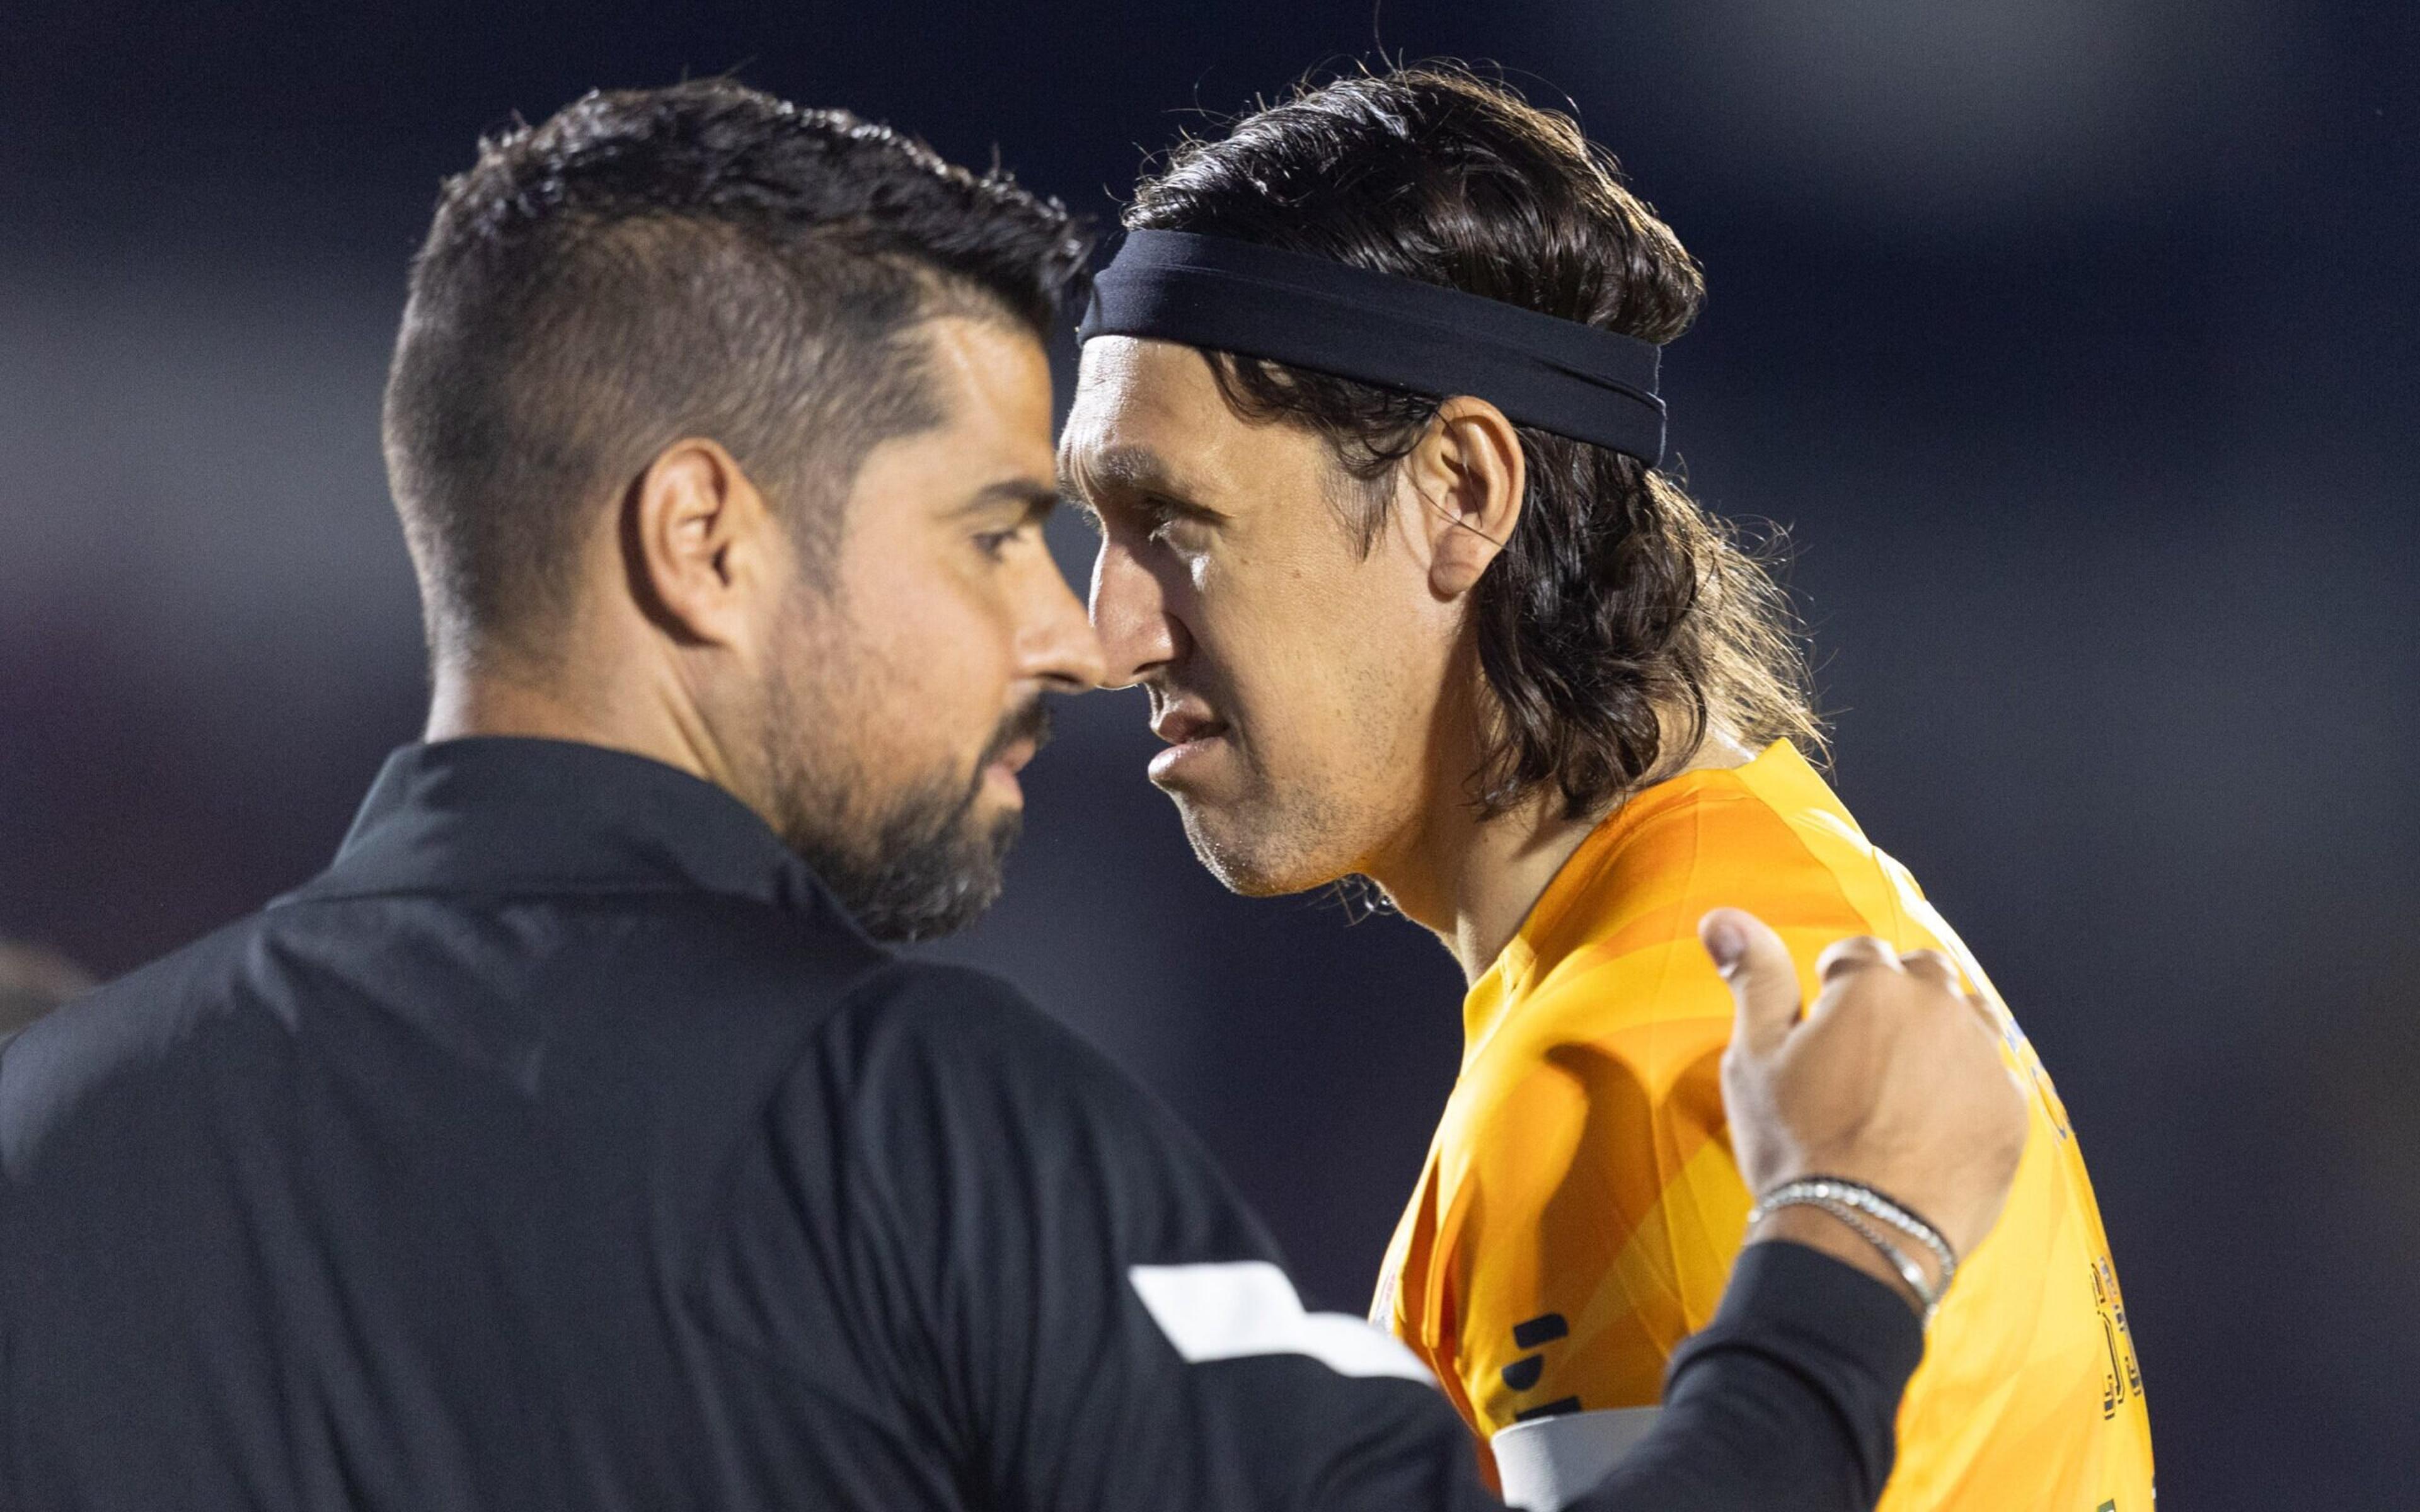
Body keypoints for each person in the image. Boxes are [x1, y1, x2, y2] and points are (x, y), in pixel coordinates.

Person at [1, 81, 2020, 1512]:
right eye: (994, 535)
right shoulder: (931, 1139)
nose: (1069, 635)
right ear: (703, 537)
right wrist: (1846, 1247)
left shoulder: (56, 1137)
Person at [1062, 64, 2152, 1511]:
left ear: (1463, 492)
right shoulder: (1774, 890)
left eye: (1174, 523)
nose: (1108, 632)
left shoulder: (1629, 1077)